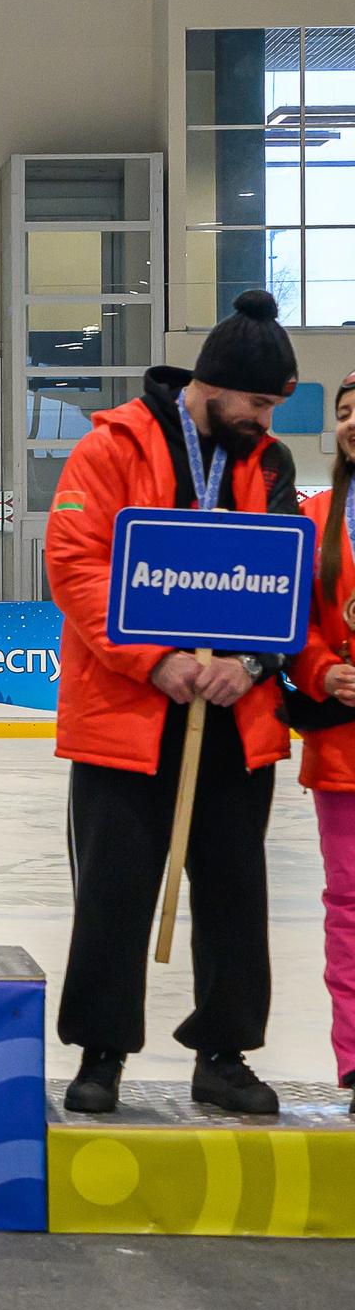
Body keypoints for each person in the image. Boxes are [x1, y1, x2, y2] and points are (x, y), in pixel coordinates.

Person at [48, 290, 303, 1116]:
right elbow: (75, 562)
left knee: (235, 890)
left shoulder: (268, 464)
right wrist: (152, 660)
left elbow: (285, 578)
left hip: (235, 718)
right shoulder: (111, 446)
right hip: (127, 715)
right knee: (116, 891)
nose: (265, 419)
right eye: (257, 402)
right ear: (213, 382)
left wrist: (254, 663)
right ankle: (102, 1051)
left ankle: (224, 1054)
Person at [289, 369, 355, 1111]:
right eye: (343, 412)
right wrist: (324, 670)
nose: (352, 422)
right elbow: (294, 626)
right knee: (350, 909)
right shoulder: (314, 516)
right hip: (344, 754)